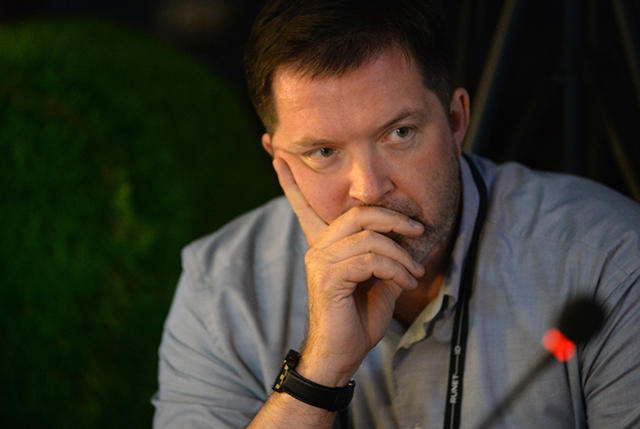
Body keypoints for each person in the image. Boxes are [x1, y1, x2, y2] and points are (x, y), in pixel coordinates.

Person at [152, 1, 640, 428]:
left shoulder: (612, 263)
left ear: (455, 120)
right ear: (280, 164)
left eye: (399, 133)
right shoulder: (221, 286)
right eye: (323, 152)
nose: (368, 189)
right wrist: (320, 370)